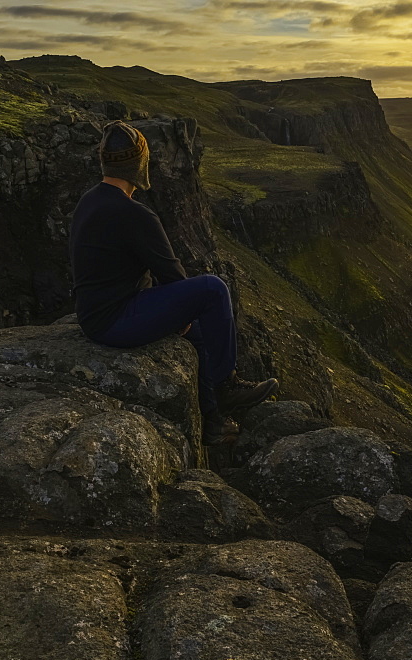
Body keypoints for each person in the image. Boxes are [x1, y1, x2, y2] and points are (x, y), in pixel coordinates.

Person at [69, 120, 278, 446]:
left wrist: (182, 321)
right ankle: (227, 385)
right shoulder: (135, 214)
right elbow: (170, 273)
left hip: (93, 315)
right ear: (140, 164)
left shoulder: (88, 201)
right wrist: (180, 315)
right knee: (213, 288)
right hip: (116, 320)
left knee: (199, 335)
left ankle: (213, 423)